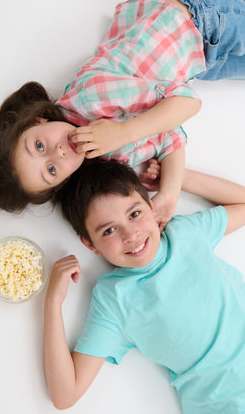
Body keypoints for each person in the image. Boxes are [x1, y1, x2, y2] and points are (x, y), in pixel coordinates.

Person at [0, 0, 245, 228]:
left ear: (37, 122)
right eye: (51, 170)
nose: (58, 153)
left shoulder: (89, 98)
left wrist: (123, 132)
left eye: (39, 146)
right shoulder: (107, 153)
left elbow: (187, 102)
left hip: (199, 15)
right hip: (198, 57)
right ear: (63, 182)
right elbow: (169, 135)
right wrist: (168, 194)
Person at [44, 158, 245, 413]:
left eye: (135, 214)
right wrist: (52, 303)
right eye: (108, 231)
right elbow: (65, 395)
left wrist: (175, 179)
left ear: (151, 206)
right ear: (90, 244)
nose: (130, 235)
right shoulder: (114, 300)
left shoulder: (185, 232)